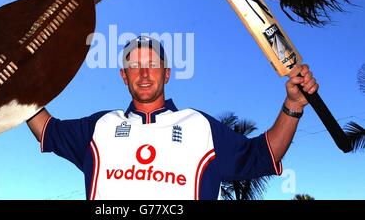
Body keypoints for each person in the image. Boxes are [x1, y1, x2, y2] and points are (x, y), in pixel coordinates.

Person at [27, 36, 318, 200]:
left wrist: (293, 105)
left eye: (152, 65)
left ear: (166, 74)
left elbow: (263, 155)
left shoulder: (199, 125)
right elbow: (46, 130)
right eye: (134, 66)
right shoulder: (99, 126)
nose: (143, 73)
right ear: (123, 76)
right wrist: (17, 86)